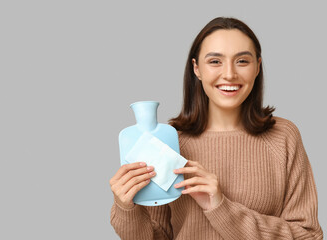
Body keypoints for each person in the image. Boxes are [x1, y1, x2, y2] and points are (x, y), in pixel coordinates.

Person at [109, 17, 323, 239]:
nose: (229, 74)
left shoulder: (283, 136)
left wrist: (222, 208)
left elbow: (309, 236)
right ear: (197, 68)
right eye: (215, 61)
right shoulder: (169, 142)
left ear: (258, 67)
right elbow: (157, 236)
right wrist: (126, 207)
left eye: (242, 61)